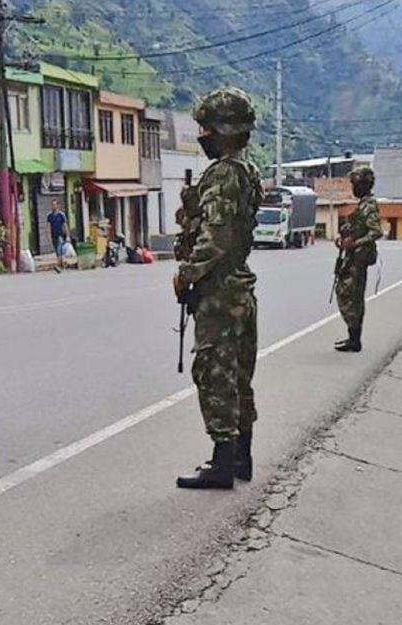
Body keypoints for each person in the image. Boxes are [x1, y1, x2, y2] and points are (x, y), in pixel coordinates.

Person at [173, 88, 264, 490]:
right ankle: (241, 456)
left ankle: (223, 462)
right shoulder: (248, 171)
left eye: (207, 127)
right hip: (240, 287)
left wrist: (187, 273)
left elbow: (217, 237)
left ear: (224, 131)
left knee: (215, 375)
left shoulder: (224, 173)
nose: (202, 135)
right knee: (239, 376)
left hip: (221, 292)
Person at [334, 166, 383, 354]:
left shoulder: (369, 205)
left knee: (351, 296)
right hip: (353, 257)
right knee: (347, 294)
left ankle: (355, 340)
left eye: (355, 184)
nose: (353, 187)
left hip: (359, 258)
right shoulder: (363, 204)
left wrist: (355, 243)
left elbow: (376, 232)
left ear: (363, 185)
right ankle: (352, 337)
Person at [47, 205, 68, 272]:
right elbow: (48, 226)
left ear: (58, 206)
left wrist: (67, 236)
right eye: (52, 205)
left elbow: (65, 225)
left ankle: (58, 266)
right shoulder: (49, 216)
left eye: (55, 205)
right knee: (57, 251)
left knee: (59, 249)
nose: (54, 207)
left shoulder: (61, 215)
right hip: (54, 235)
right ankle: (61, 264)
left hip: (60, 235)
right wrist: (48, 235)